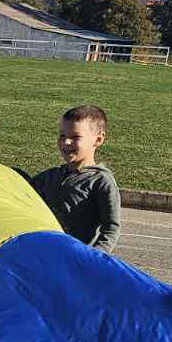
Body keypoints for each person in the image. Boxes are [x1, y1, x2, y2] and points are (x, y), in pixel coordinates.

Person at [28, 105, 120, 253]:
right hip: (43, 253)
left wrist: (93, 257)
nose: (66, 142)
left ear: (98, 139)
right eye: (62, 135)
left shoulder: (101, 181)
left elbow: (111, 228)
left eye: (75, 137)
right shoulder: (49, 177)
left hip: (75, 259)